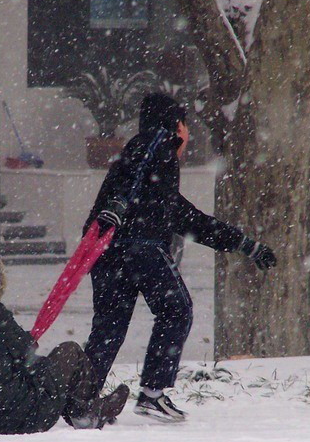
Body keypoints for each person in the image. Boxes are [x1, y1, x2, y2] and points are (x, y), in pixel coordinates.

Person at [83, 93, 277, 422]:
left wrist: (246, 245)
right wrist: (163, 137)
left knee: (109, 327)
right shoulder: (156, 147)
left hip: (106, 250)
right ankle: (153, 394)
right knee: (177, 309)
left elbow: (190, 220)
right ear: (176, 125)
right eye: (185, 127)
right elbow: (143, 158)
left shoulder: (150, 174)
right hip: (140, 246)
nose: (187, 135)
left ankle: (81, 401)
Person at [0, 244, 129, 436]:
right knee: (69, 352)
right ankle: (86, 413)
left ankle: (80, 410)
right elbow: (26, 355)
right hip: (13, 417)